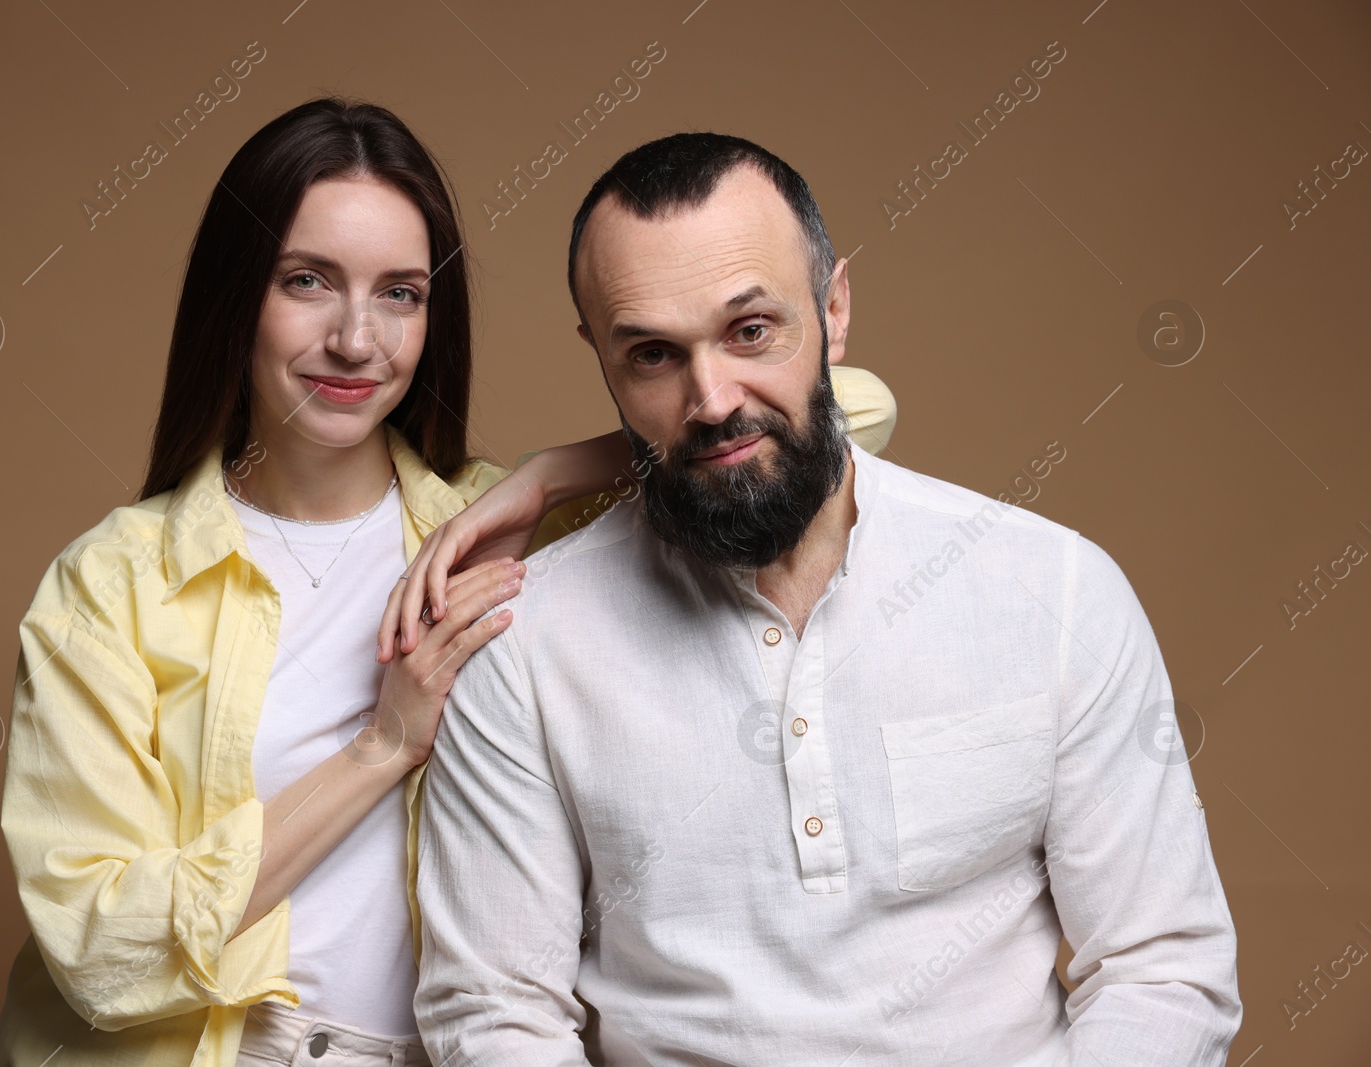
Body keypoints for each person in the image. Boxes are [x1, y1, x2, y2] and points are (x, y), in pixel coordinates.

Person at [0, 100, 898, 1067]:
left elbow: (853, 411)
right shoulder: (114, 585)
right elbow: (99, 951)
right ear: (235, 295)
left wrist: (553, 472)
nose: (354, 339)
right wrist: (383, 745)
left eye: (401, 294)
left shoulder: (498, 534)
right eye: (307, 281)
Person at [412, 132, 1243, 1066]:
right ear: (600, 358)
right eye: (652, 354)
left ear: (834, 308)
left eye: (751, 330)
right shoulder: (527, 647)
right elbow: (494, 1012)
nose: (714, 398)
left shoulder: (1053, 592)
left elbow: (1161, 964)